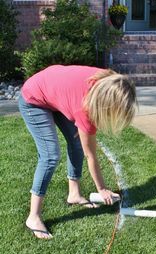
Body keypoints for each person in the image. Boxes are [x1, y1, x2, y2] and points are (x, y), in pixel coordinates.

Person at [19, 65, 137, 239]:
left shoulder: (107, 80)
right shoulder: (85, 109)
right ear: (105, 103)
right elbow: (91, 155)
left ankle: (74, 194)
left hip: (54, 94)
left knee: (76, 143)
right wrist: (102, 189)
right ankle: (33, 216)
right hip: (33, 98)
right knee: (50, 156)